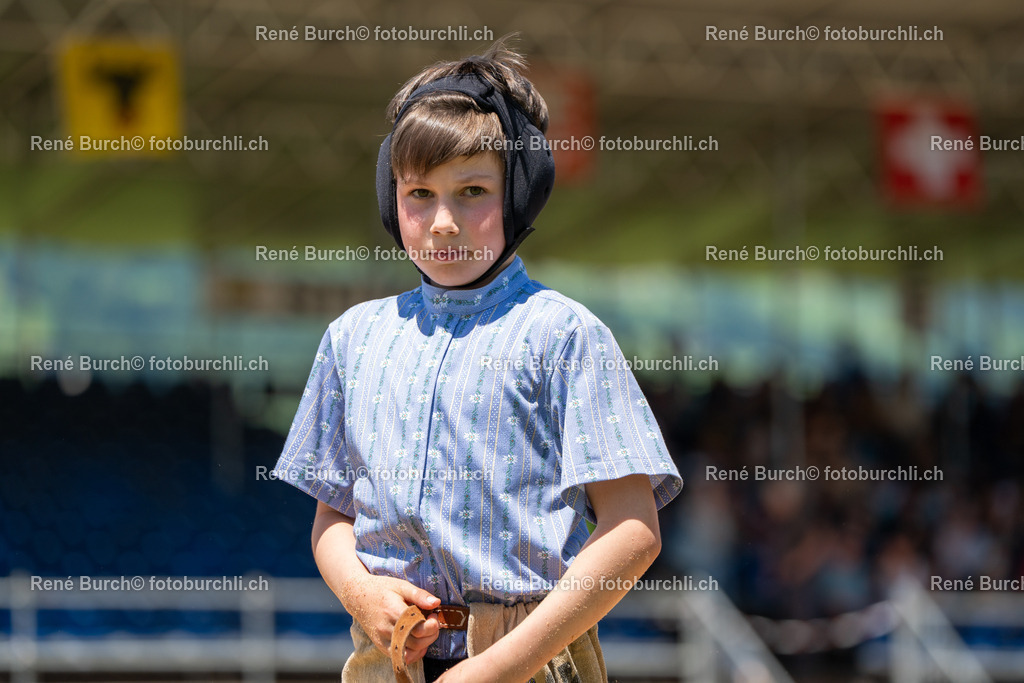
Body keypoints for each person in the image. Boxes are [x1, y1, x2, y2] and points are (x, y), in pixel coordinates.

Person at [272, 35, 682, 683]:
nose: (442, 222)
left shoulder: (565, 335)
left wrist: (498, 667)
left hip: (533, 659)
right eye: (419, 195)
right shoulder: (352, 338)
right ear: (391, 199)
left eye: (471, 192)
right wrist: (362, 593)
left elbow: (634, 530)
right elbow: (333, 516)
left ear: (519, 194)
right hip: (388, 657)